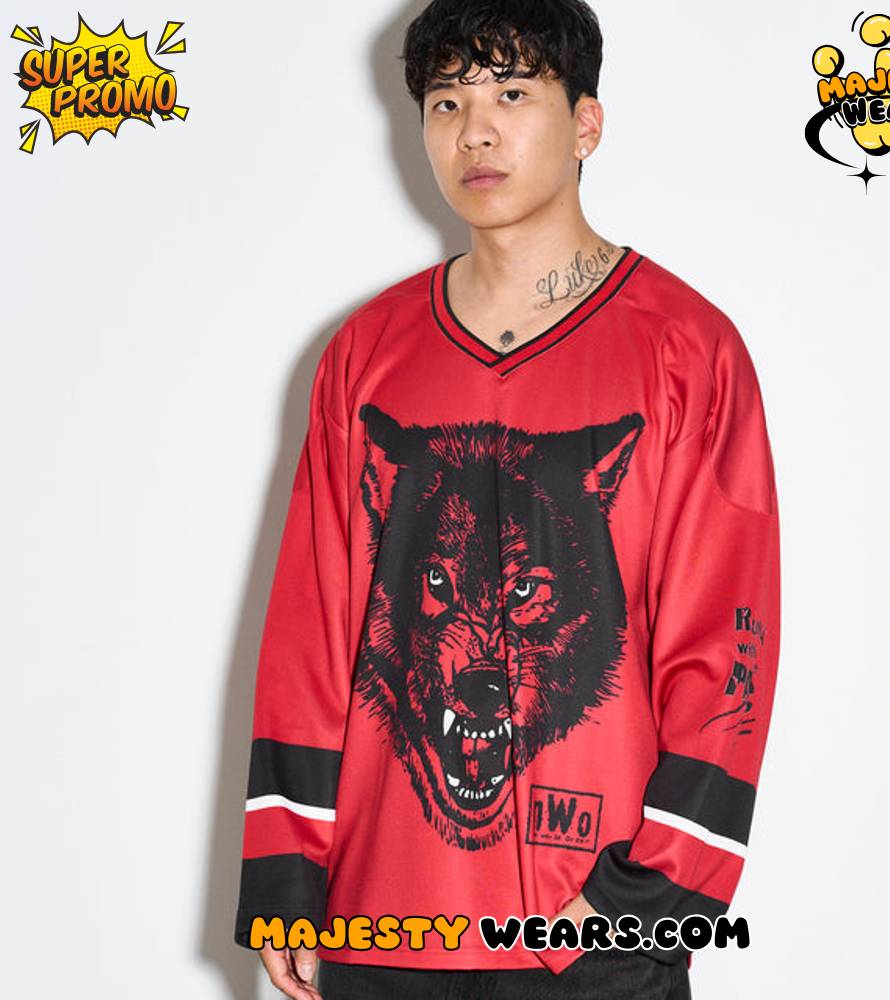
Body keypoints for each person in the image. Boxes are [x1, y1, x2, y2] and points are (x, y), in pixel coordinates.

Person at [232, 2, 781, 998]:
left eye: (513, 94)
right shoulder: (365, 355)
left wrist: (650, 896)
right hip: (381, 925)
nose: (475, 130)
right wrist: (286, 873)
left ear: (585, 124)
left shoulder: (686, 351)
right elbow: (313, 629)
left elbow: (727, 643)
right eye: (447, 102)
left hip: (592, 931)